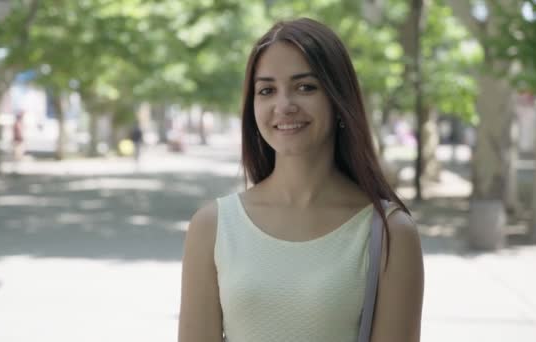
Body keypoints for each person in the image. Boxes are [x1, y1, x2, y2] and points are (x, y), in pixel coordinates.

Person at [179, 18, 424, 342]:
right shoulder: (212, 226)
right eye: (267, 90)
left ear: (338, 99)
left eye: (305, 87)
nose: (284, 106)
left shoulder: (390, 233)